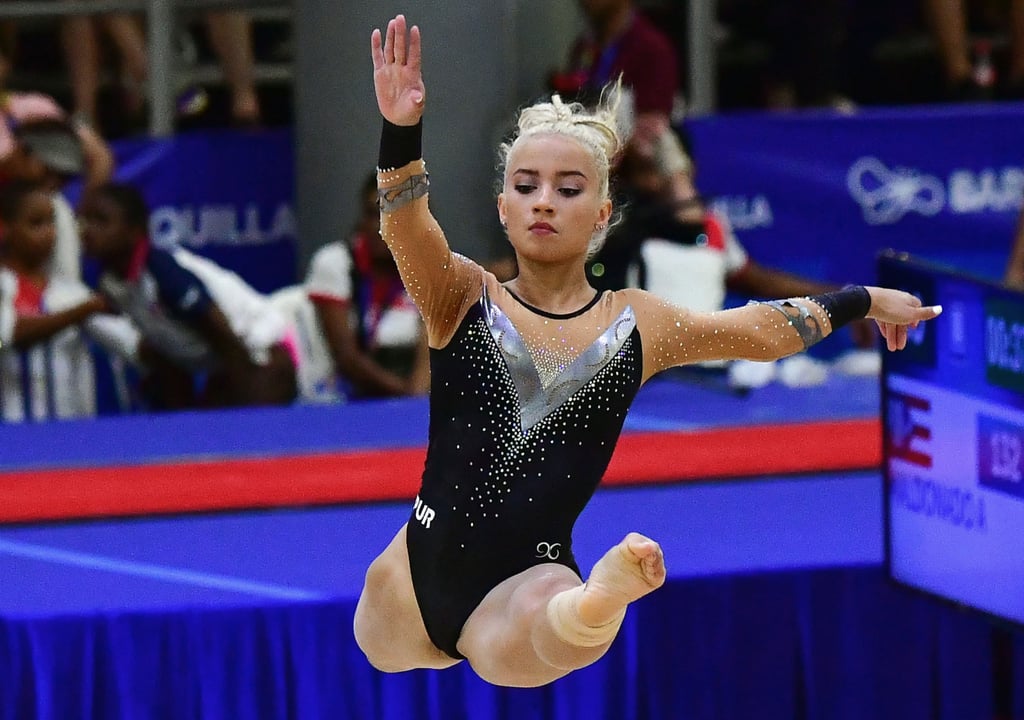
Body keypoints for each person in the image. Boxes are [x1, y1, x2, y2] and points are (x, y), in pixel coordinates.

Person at [354, 14, 941, 688]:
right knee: (376, 642)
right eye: (526, 187)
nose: (545, 202)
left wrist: (860, 299)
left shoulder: (635, 323)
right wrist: (401, 127)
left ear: (602, 214)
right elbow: (404, 224)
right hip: (409, 575)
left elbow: (755, 332)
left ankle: (600, 598)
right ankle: (583, 605)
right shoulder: (461, 295)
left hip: (522, 579)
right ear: (503, 209)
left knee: (551, 622)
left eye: (569, 189)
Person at [78, 182, 297, 410]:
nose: (88, 230)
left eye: (101, 221)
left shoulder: (165, 274)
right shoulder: (112, 283)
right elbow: (167, 349)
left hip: (260, 356)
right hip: (224, 364)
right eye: (86, 220)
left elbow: (223, 334)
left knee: (245, 439)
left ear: (135, 231)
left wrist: (244, 409)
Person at [271, 173, 429, 402]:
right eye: (372, 215)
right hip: (322, 395)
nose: (380, 226)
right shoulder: (334, 262)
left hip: (386, 395)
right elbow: (347, 359)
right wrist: (408, 398)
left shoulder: (424, 273)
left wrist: (418, 396)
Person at [0, 179, 138, 422]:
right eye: (36, 223)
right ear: (4, 228)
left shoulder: (72, 295)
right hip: (9, 438)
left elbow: (132, 346)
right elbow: (7, 335)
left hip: (68, 440)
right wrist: (83, 311)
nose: (50, 233)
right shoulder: (79, 304)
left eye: (52, 222)